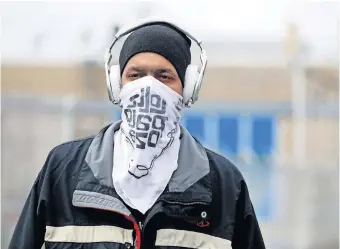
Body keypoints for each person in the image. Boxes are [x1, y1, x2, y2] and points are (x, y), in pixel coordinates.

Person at [9, 19, 266, 249]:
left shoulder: (223, 184)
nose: (148, 86)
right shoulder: (63, 170)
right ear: (117, 84)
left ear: (187, 90)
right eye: (136, 75)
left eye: (164, 76)